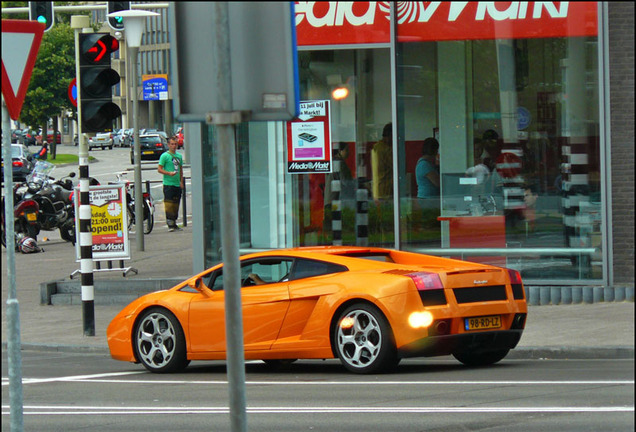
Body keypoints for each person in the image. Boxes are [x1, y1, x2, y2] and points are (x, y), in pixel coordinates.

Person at [157, 136, 184, 231]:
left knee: (176, 204)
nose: (174, 146)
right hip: (168, 184)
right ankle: (170, 224)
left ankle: (174, 223)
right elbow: (159, 169)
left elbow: (181, 170)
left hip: (177, 184)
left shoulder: (179, 156)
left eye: (175, 144)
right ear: (168, 145)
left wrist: (181, 181)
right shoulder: (165, 156)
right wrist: (168, 173)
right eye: (172, 144)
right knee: (169, 204)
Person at [371, 123, 393, 201]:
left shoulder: (376, 147)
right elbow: (399, 168)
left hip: (377, 190)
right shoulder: (387, 150)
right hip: (386, 191)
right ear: (391, 135)